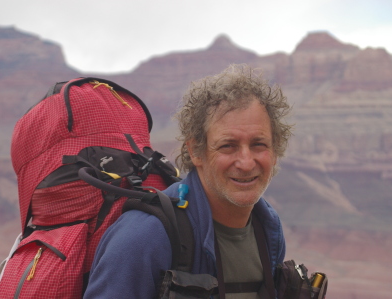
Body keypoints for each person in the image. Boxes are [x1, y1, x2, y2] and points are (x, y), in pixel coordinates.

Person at [84, 64, 293, 299]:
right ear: (195, 152)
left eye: (259, 144)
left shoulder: (267, 228)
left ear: (275, 151)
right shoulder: (144, 237)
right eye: (227, 146)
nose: (245, 162)